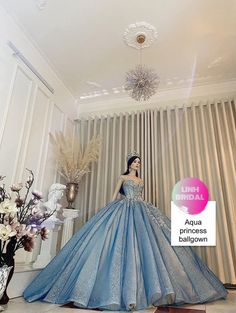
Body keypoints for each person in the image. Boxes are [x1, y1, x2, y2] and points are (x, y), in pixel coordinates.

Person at [23, 152, 228, 311]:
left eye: (139, 162)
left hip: (141, 210)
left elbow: (139, 195)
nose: (138, 164)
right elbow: (115, 195)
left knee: (147, 246)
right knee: (117, 244)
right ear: (130, 163)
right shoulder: (123, 177)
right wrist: (108, 208)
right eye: (135, 162)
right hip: (123, 208)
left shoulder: (141, 181)